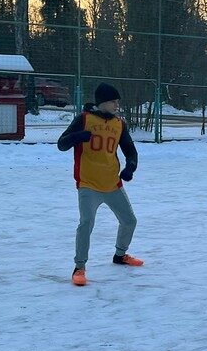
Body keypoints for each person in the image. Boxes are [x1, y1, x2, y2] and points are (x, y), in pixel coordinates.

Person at [57, 83, 143, 286]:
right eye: (114, 101)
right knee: (86, 223)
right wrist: (77, 136)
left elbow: (131, 151)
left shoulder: (119, 124)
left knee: (129, 220)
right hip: (88, 184)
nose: (116, 105)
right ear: (103, 102)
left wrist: (130, 167)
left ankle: (120, 255)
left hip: (112, 184)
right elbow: (61, 144)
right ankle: (79, 267)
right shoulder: (84, 119)